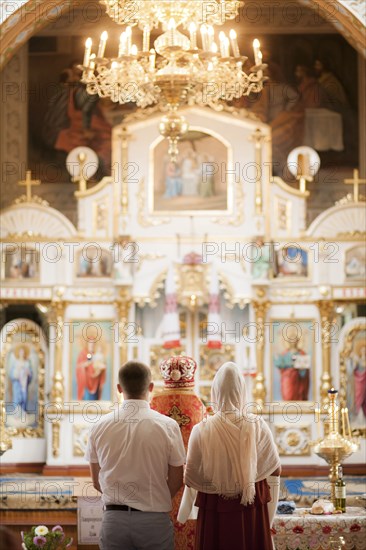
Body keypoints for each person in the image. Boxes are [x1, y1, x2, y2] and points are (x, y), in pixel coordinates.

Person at [85, 360, 186, 550]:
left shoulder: (99, 426)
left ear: (118, 388)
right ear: (151, 387)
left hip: (114, 520)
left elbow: (96, 482)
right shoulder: (168, 426)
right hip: (154, 521)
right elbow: (177, 478)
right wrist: (155, 498)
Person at [182, 362, 281, 550]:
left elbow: (191, 478)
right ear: (242, 391)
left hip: (214, 507)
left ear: (215, 391)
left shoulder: (201, 429)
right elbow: (275, 469)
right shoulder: (257, 424)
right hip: (250, 504)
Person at [150, 356, 206, 550]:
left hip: (160, 479)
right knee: (190, 528)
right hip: (192, 479)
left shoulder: (154, 402)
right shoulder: (198, 403)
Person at [274, 328, 310, 401]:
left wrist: (301, 369)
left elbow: (304, 371)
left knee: (298, 397)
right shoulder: (284, 354)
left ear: (297, 341)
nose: (292, 342)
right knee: (287, 396)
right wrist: (290, 364)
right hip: (287, 379)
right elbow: (278, 363)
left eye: (294, 340)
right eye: (291, 340)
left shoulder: (302, 353)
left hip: (298, 380)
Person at [9, 345, 33, 412]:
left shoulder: (27, 363)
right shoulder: (16, 363)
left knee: (24, 397)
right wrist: (17, 372)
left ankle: (23, 411)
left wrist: (28, 373)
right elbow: (12, 374)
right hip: (17, 384)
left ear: (24, 353)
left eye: (23, 352)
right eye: (20, 352)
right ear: (18, 353)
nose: (21, 353)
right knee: (17, 398)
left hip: (24, 384)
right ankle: (17, 413)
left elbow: (30, 374)